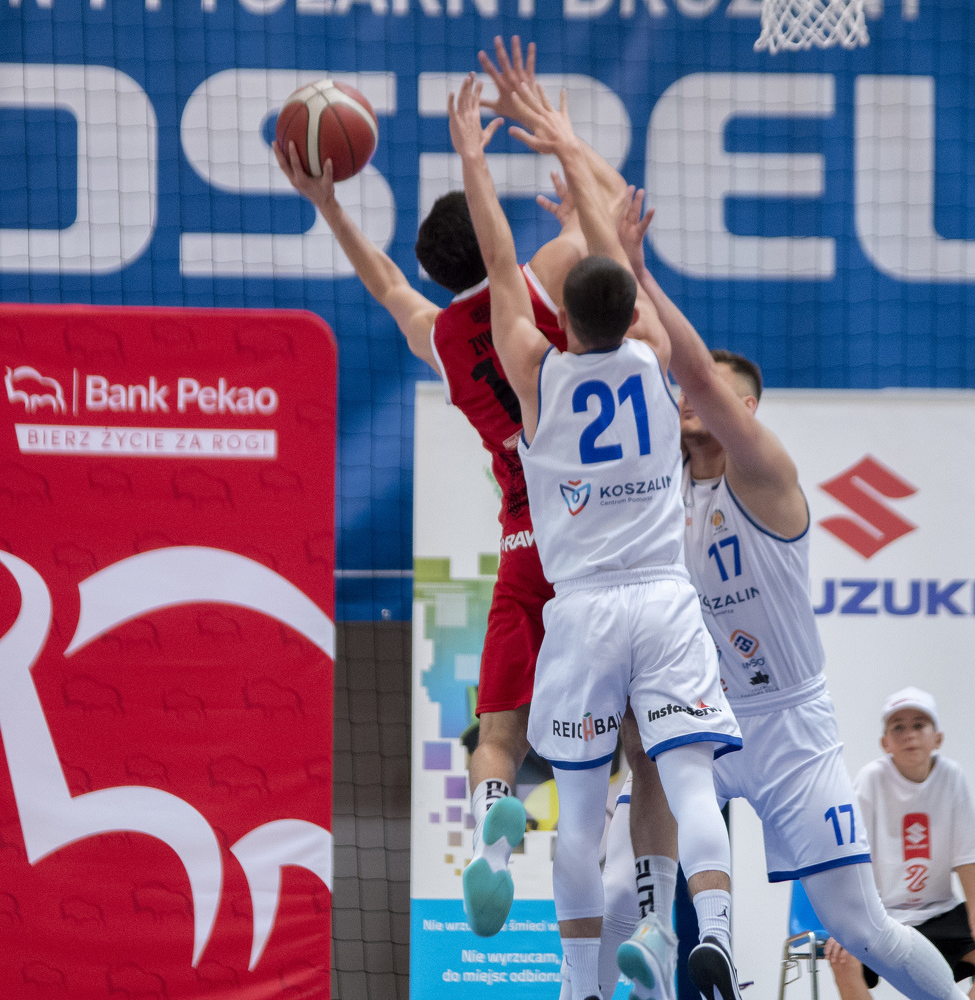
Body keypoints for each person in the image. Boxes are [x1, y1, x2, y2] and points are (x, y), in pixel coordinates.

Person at [594, 186, 975, 1000]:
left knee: (860, 927)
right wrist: (597, 216)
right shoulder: (663, 484)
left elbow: (689, 369)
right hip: (701, 714)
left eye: (706, 390)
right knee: (618, 897)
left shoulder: (765, 475)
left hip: (789, 725)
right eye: (682, 391)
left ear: (745, 409)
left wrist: (640, 269)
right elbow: (636, 347)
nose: (686, 396)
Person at [271, 48, 596, 935]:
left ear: (439, 271)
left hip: (523, 545)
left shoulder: (442, 339)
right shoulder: (537, 284)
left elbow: (384, 282)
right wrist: (559, 183)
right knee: (628, 740)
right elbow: (594, 222)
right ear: (495, 239)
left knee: (497, 731)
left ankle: (493, 841)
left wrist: (330, 205)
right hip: (592, 539)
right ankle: (644, 895)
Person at [449, 77, 744, 1000]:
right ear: (629, 311)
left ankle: (579, 986)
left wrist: (474, 159)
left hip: (580, 613)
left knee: (578, 816)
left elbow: (500, 263)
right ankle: (710, 938)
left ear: (562, 320)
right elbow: (618, 255)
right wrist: (569, 148)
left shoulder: (535, 374)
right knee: (685, 782)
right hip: (663, 598)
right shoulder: (657, 359)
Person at [827, 688, 975, 1000]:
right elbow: (851, 857)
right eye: (898, 727)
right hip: (881, 915)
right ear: (885, 743)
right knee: (844, 959)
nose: (909, 734)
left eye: (919, 725)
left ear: (937, 739)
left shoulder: (951, 775)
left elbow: (966, 856)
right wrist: (849, 921)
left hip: (939, 912)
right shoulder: (871, 778)